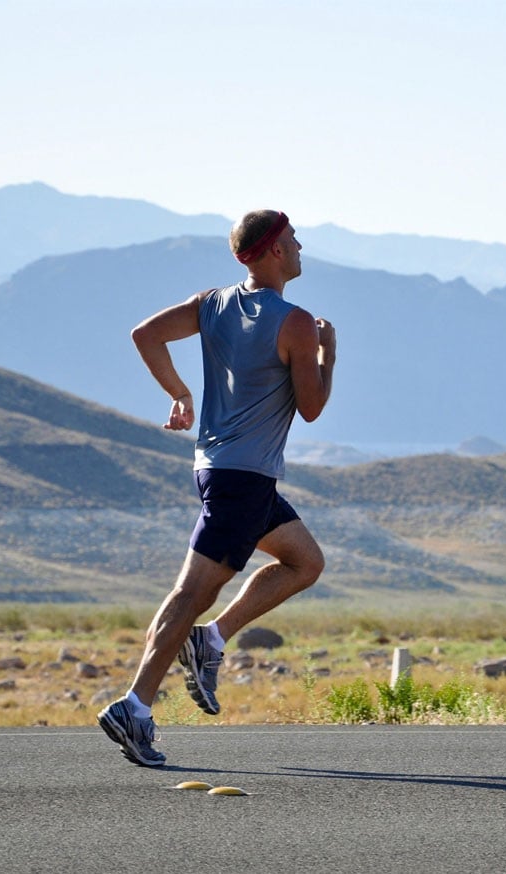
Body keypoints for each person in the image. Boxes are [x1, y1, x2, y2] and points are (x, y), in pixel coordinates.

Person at [98, 210, 336, 766]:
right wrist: (329, 353)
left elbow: (146, 334)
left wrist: (179, 393)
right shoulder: (296, 323)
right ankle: (135, 706)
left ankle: (212, 639)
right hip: (243, 479)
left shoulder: (212, 303)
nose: (301, 249)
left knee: (305, 562)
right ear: (275, 249)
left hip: (221, 470)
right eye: (295, 241)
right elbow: (312, 407)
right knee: (191, 592)